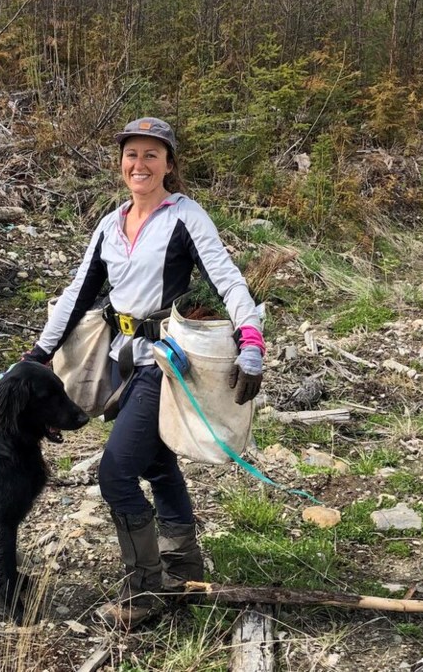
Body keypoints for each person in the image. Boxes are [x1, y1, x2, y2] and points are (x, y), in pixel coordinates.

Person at [21, 117, 265, 628]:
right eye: (132, 154)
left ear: (169, 165)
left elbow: (226, 278)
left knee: (115, 471)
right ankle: (183, 567)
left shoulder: (185, 217)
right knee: (154, 463)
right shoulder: (110, 224)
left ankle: (147, 590)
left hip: (166, 359)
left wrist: (251, 340)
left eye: (152, 155)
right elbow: (79, 292)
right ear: (122, 163)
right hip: (121, 359)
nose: (140, 164)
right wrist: (37, 354)